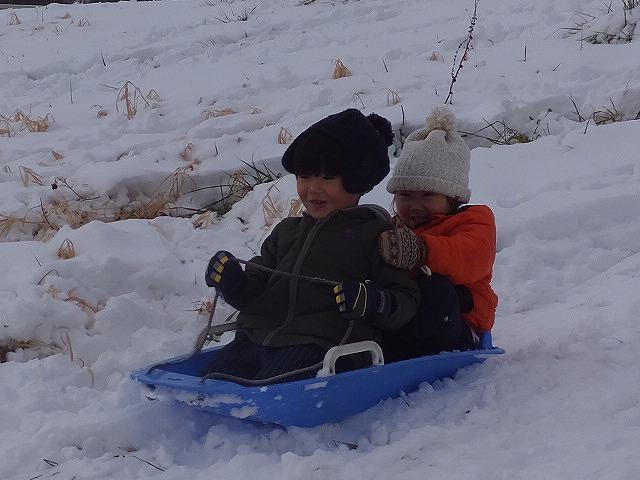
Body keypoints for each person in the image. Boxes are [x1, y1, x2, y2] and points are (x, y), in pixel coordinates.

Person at [202, 109, 420, 384]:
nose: (313, 189)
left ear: (359, 180)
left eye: (327, 178)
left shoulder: (378, 236)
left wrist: (373, 301)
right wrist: (234, 283)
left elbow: (405, 300)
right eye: (304, 177)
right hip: (257, 338)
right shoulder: (286, 232)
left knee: (269, 387)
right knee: (210, 383)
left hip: (325, 347)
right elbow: (256, 289)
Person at [378, 107, 498, 361]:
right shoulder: (393, 229)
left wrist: (422, 251)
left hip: (459, 323)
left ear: (452, 196)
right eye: (405, 195)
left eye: (427, 195)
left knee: (436, 289)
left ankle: (394, 352)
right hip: (407, 319)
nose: (415, 206)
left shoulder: (473, 220)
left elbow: (470, 256)